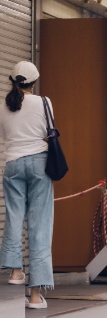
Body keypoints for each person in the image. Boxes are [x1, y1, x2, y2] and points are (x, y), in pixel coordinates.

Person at [0, 62, 54, 310]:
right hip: (39, 164)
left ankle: (14, 270)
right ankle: (35, 296)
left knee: (14, 216)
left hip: (12, 164)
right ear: (34, 81)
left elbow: (7, 136)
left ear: (13, 80)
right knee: (39, 225)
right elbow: (49, 132)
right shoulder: (44, 102)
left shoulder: (4, 104)